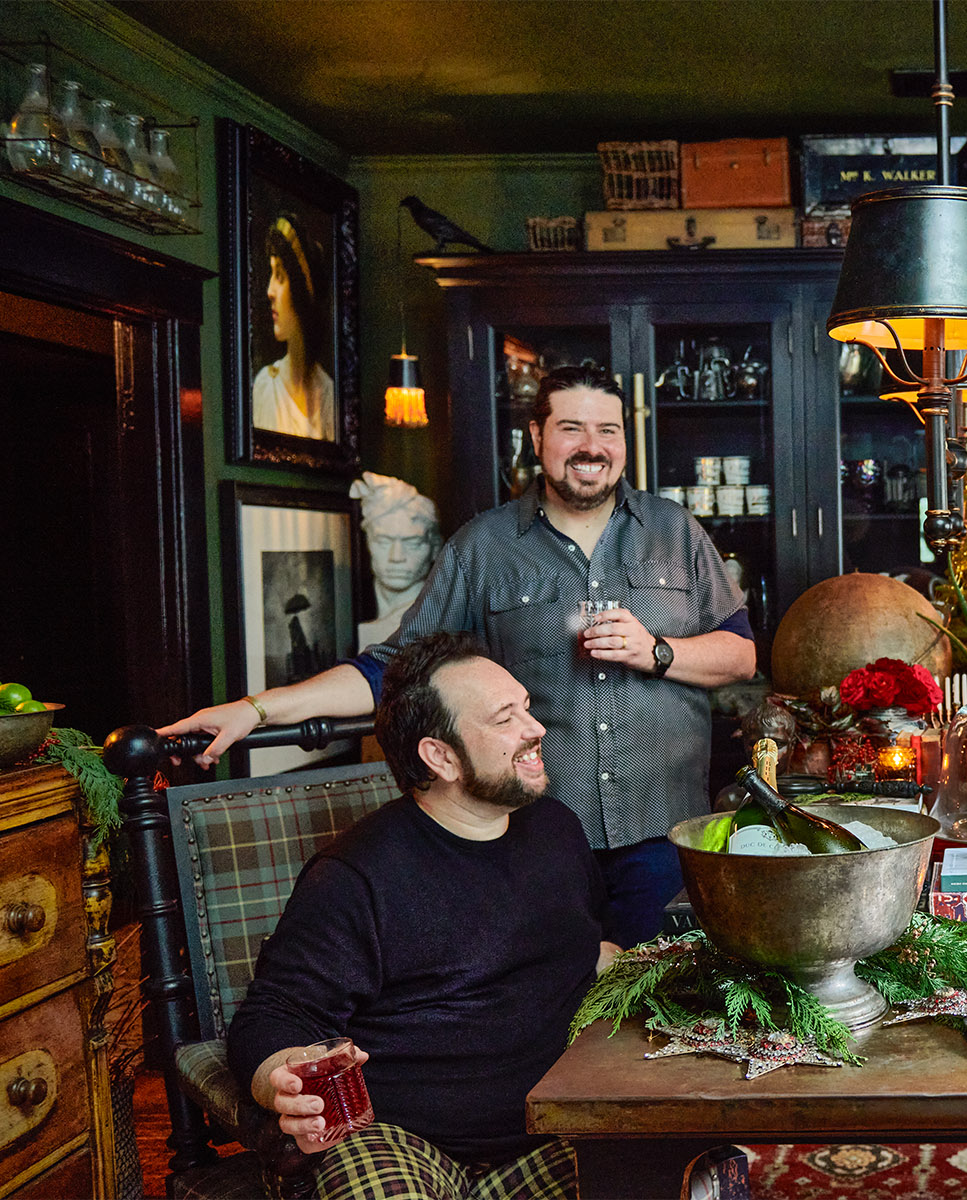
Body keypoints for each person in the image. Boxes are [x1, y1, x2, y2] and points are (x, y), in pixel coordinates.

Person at [162, 363, 757, 945]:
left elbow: (740, 656)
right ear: (536, 436)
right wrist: (257, 709)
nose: (592, 446)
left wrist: (658, 650)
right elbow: (396, 667)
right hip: (530, 835)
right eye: (572, 428)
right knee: (547, 1009)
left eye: (609, 430)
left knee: (660, 1007)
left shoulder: (676, 531)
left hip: (664, 834)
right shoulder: (483, 546)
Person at [228, 631, 618, 1200]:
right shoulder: (357, 874)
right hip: (399, 1138)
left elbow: (592, 950)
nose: (534, 730)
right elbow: (273, 1015)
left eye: (526, 708)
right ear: (440, 756)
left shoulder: (556, 829)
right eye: (504, 718)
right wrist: (281, 1078)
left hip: (554, 1131)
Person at [252, 215, 336, 440]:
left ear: (301, 290)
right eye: (271, 274)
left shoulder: (330, 396)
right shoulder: (266, 386)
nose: (270, 291)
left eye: (279, 276)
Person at [347, 471, 442, 649]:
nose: (396, 557)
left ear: (435, 548)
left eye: (413, 543)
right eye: (383, 541)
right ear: (368, 543)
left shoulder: (435, 622)